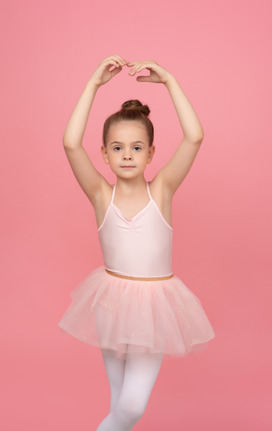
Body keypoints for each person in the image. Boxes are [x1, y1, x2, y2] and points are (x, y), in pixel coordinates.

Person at [57, 55, 215, 431]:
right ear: (105, 155)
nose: (127, 154)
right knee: (117, 402)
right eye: (117, 147)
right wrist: (94, 84)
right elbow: (69, 143)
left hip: (154, 306)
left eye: (137, 147)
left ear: (151, 153)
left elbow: (195, 136)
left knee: (129, 407)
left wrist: (171, 81)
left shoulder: (162, 191)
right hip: (110, 301)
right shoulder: (100, 195)